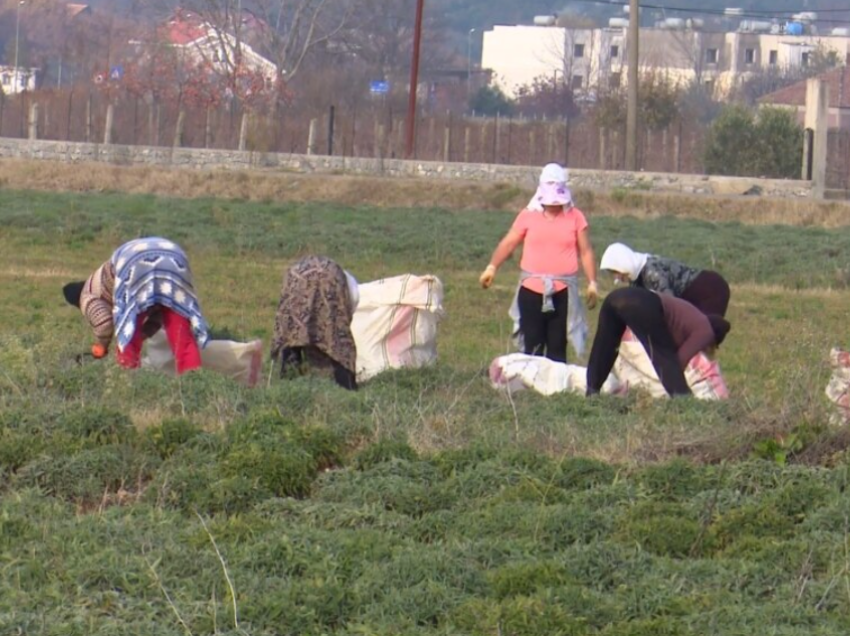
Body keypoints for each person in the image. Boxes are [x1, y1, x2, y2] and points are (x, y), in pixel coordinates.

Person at [479, 163, 598, 362]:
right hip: (531, 291)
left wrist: (592, 282)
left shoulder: (575, 217)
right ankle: (530, 387)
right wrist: (492, 267)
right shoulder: (527, 216)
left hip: (563, 292)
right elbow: (508, 243)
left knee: (557, 345)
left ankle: (556, 389)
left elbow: (586, 251)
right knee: (532, 344)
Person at [62, 237, 209, 374]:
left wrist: (102, 346)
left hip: (135, 264)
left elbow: (104, 323)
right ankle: (193, 379)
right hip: (174, 257)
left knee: (127, 335)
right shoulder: (100, 282)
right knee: (181, 334)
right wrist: (145, 333)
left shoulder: (87, 296)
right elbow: (160, 309)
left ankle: (129, 380)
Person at [586, 287, 731, 397]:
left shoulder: (691, 318)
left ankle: (592, 392)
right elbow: (677, 361)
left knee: (604, 350)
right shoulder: (705, 330)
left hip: (614, 298)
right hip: (641, 303)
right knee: (664, 357)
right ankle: (684, 403)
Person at [271, 255, 359, 391]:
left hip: (296, 282)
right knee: (339, 343)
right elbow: (342, 320)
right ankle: (346, 387)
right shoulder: (348, 289)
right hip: (327, 284)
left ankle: (288, 382)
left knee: (293, 335)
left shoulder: (346, 283)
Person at [600, 242, 730, 317]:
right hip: (692, 296)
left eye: (616, 272)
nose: (617, 278)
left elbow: (671, 307)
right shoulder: (636, 278)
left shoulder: (652, 273)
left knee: (703, 337)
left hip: (710, 290)